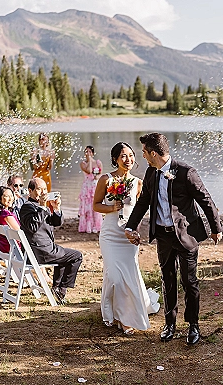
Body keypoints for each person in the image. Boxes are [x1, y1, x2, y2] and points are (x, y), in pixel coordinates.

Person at [124, 133, 223, 346]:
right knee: (167, 280)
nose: (142, 156)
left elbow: (206, 200)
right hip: (163, 236)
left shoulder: (186, 173)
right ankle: (170, 324)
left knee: (190, 282)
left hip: (186, 236)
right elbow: (143, 203)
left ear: (153, 153)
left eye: (144, 152)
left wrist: (216, 228)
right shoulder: (151, 172)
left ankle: (193, 325)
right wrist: (130, 225)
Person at [93, 142, 160, 335]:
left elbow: (138, 212)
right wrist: (112, 208)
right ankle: (115, 312)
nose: (128, 159)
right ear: (115, 159)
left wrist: (135, 232)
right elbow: (96, 205)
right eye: (123, 156)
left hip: (127, 237)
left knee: (128, 275)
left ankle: (124, 317)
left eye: (131, 155)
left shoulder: (138, 183)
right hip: (110, 234)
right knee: (114, 275)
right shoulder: (106, 179)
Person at [19, 178, 83, 304]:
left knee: (65, 256)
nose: (43, 192)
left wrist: (56, 208)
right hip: (40, 252)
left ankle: (57, 288)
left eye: (45, 189)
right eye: (39, 189)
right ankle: (61, 290)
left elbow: (56, 223)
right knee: (76, 256)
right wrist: (43, 207)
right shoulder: (27, 207)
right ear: (30, 191)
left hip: (44, 249)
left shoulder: (41, 206)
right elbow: (33, 227)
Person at [79, 145, 103, 233]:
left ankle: (96, 225)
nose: (88, 154)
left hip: (94, 185)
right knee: (87, 206)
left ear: (93, 153)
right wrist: (89, 161)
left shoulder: (98, 162)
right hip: (87, 186)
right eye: (86, 152)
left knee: (95, 204)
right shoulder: (83, 163)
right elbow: (89, 171)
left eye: (90, 152)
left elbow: (101, 173)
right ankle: (87, 226)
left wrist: (97, 177)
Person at [0, 186, 20, 253]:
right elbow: (19, 233)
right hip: (13, 248)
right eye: (7, 196)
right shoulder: (6, 214)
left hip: (3, 246)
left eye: (11, 196)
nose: (10, 199)